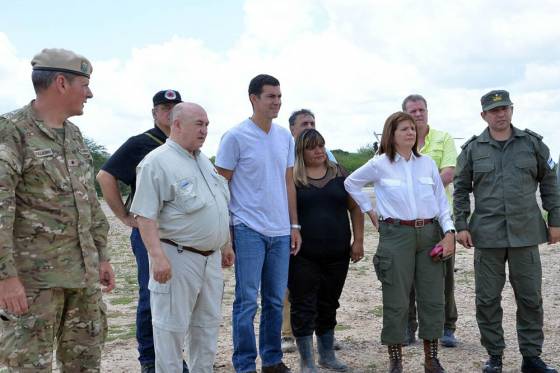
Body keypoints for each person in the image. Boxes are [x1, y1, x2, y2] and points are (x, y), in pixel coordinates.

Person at [0, 48, 114, 371]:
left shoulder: (75, 136)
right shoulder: (12, 131)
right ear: (61, 83)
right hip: (33, 285)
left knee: (84, 365)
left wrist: (102, 255)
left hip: (84, 279)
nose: (89, 93)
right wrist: (5, 277)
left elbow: (89, 202)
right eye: (84, 84)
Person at [454, 90, 560, 373]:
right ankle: (495, 356)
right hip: (486, 236)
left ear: (512, 110)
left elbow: (550, 182)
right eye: (494, 111)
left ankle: (531, 357)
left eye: (505, 109)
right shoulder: (473, 149)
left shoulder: (533, 145)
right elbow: (461, 189)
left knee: (530, 298)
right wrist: (461, 225)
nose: (500, 114)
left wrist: (556, 220)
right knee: (487, 299)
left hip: (525, 234)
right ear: (483, 115)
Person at [345, 111, 455, 373]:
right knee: (396, 298)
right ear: (391, 134)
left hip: (429, 234)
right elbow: (351, 183)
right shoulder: (379, 164)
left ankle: (431, 359)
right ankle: (396, 360)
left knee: (432, 298)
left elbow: (440, 201)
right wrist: (369, 209)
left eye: (412, 129)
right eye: (404, 129)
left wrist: (449, 232)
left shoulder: (427, 163)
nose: (410, 132)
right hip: (396, 236)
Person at [130, 102, 235, 373]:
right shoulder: (157, 162)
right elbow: (145, 216)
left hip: (209, 260)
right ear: (177, 125)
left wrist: (225, 244)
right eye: (199, 124)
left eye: (207, 125)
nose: (204, 130)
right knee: (170, 331)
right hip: (177, 258)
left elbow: (218, 203)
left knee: (207, 327)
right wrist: (157, 257)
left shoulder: (202, 160)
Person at [216, 74, 301, 373]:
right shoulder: (235, 137)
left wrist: (294, 226)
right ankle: (244, 364)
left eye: (279, 96)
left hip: (280, 231)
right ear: (254, 98)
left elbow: (288, 181)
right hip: (247, 228)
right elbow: (220, 186)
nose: (277, 102)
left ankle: (273, 360)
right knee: (247, 301)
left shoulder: (284, 137)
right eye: (270, 97)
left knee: (276, 301)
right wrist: (226, 234)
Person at [96, 89, 185, 373]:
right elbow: (105, 175)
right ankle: (149, 359)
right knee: (152, 295)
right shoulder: (142, 143)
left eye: (175, 108)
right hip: (149, 231)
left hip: (179, 233)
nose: (170, 113)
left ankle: (171, 357)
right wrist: (122, 215)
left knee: (177, 298)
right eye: (164, 108)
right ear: (155, 113)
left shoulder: (185, 144)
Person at [289, 129, 364, 373]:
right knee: (303, 305)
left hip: (337, 252)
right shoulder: (293, 177)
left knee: (329, 303)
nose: (319, 151)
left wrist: (358, 241)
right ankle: (307, 361)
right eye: (312, 147)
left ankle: (327, 355)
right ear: (301, 151)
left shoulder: (339, 173)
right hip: (302, 255)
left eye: (321, 145)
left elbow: (355, 207)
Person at [402, 94, 459, 347]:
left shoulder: (443, 138)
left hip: (438, 221)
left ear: (427, 111)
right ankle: (408, 327)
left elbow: (448, 173)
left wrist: (417, 188)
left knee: (444, 276)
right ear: (404, 113)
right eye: (412, 111)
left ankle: (447, 327)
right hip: (407, 222)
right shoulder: (399, 141)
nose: (418, 114)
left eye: (421, 109)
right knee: (408, 277)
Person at [281, 108, 339, 354]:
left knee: (323, 290)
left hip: (324, 238)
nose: (309, 126)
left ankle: (324, 335)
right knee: (290, 288)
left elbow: (338, 183)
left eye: (313, 122)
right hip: (289, 232)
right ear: (292, 129)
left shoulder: (329, 155)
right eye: (304, 123)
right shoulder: (285, 153)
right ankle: (287, 334)